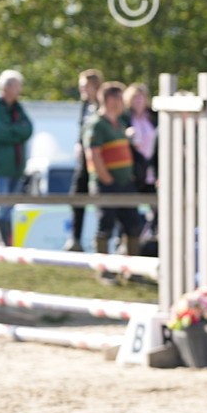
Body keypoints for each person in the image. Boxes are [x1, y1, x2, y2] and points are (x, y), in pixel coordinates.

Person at [84, 82, 145, 271]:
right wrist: (106, 179)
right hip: (106, 185)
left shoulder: (120, 123)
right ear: (109, 99)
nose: (122, 102)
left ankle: (131, 269)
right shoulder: (97, 124)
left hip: (125, 184)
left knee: (133, 225)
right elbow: (93, 154)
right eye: (118, 98)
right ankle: (103, 270)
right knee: (106, 227)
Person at [0, 70, 33, 246]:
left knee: (10, 207)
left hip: (16, 166)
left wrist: (12, 131)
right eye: (17, 86)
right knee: (2, 207)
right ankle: (3, 243)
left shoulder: (17, 107)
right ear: (7, 87)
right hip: (0, 166)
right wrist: (16, 132)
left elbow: (28, 129)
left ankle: (6, 243)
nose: (20, 90)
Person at [67, 69, 102, 252]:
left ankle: (101, 240)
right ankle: (75, 239)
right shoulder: (84, 106)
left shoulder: (103, 105)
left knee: (101, 200)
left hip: (100, 160)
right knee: (77, 195)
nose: (82, 89)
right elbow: (83, 131)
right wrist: (78, 144)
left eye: (85, 86)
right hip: (84, 160)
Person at [122, 83, 158, 194]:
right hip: (135, 164)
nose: (138, 101)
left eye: (141, 97)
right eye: (135, 97)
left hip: (152, 164)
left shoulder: (153, 117)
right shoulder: (125, 118)